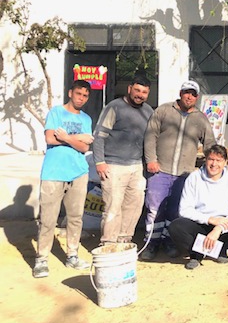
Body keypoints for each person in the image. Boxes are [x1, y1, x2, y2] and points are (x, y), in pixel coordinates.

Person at [142, 79, 215, 260]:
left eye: (193, 93)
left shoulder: (201, 119)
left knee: (176, 211)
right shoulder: (164, 110)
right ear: (180, 93)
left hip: (184, 174)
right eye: (186, 92)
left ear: (197, 97)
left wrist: (214, 163)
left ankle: (168, 241)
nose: (189, 96)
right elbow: (150, 136)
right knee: (154, 209)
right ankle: (151, 243)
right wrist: (151, 160)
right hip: (160, 170)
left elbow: (209, 144)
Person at [33, 80, 94, 278]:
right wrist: (78, 139)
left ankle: (73, 255)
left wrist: (66, 138)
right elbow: (50, 138)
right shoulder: (56, 113)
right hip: (53, 172)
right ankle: (41, 258)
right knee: (48, 218)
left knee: (75, 217)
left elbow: (86, 148)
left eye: (85, 96)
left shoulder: (86, 119)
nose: (81, 98)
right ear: (70, 93)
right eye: (78, 94)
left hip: (78, 172)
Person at [168, 145, 228, 269]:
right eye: (211, 159)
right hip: (200, 221)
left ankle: (220, 250)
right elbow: (185, 210)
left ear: (225, 162)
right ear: (206, 160)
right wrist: (209, 219)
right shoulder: (194, 178)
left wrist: (218, 228)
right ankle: (196, 254)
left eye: (218, 160)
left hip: (223, 223)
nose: (214, 164)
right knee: (176, 227)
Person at [93, 76, 154, 244]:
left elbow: (151, 138)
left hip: (137, 167)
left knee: (133, 206)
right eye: (137, 90)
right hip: (113, 165)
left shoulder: (148, 111)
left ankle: (124, 240)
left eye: (144, 92)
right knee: (113, 207)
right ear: (129, 89)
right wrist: (100, 162)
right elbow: (99, 135)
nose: (140, 95)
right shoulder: (114, 107)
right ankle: (108, 243)